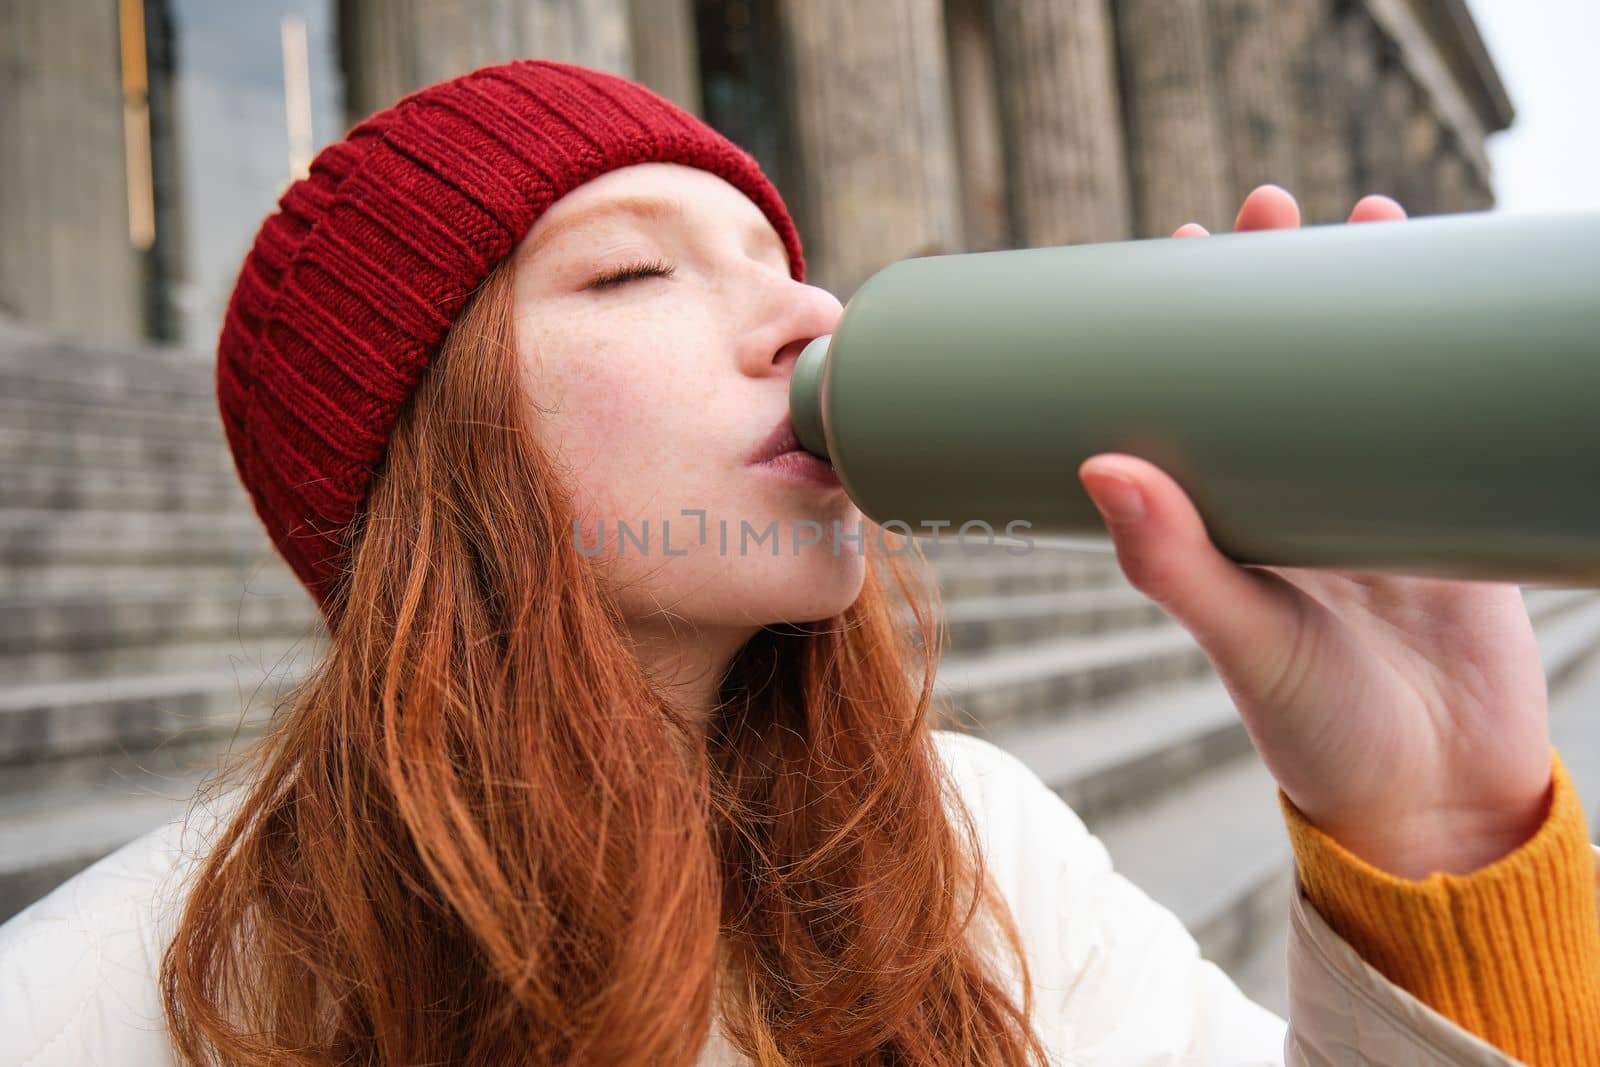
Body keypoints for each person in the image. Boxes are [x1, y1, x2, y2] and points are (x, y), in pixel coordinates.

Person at [2, 58, 1597, 1066]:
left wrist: (1439, 829)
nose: (814, 317)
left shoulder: (976, 858)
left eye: (784, 264)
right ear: (417, 448)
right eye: (631, 269)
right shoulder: (103, 1005)